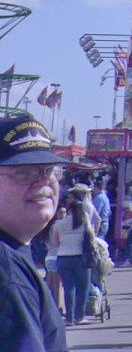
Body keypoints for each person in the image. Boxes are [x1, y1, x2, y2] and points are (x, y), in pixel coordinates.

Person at [0, 112, 69, 350]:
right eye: (23, 172)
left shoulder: (12, 254)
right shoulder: (7, 273)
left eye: (49, 170)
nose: (43, 181)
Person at [50, 189, 94, 327]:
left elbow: (55, 243)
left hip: (63, 257)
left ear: (68, 211)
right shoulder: (84, 222)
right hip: (80, 257)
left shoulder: (58, 224)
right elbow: (91, 237)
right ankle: (79, 316)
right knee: (83, 286)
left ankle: (69, 318)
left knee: (69, 287)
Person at [92, 175, 111, 243]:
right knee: (101, 241)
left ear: (96, 187)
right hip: (105, 222)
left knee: (97, 242)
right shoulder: (105, 196)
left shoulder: (98, 198)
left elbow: (95, 212)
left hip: (100, 224)